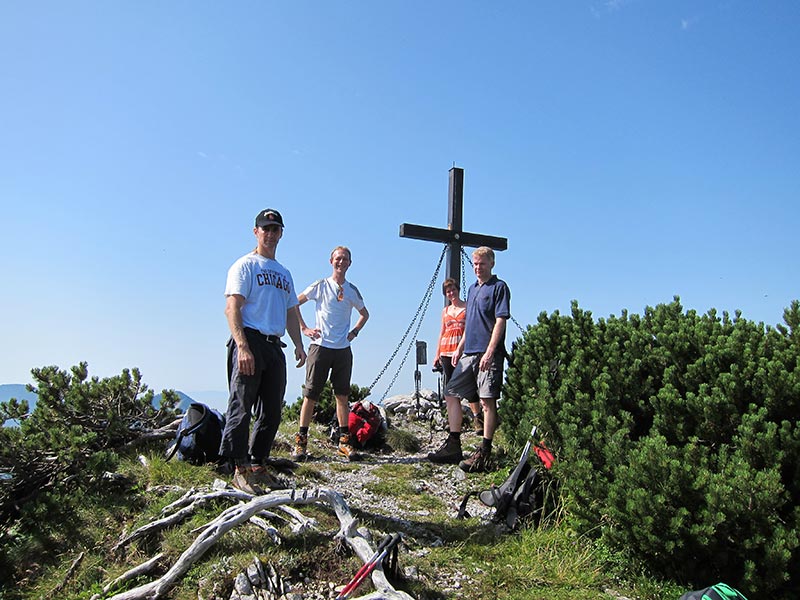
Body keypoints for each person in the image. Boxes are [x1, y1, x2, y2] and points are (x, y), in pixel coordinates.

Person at [219, 208, 307, 495]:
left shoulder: (284, 273)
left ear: (281, 233)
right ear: (256, 232)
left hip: (273, 345)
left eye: (275, 229)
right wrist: (242, 346)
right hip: (250, 341)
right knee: (242, 405)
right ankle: (238, 467)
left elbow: (291, 312)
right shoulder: (245, 265)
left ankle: (258, 463)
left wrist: (298, 345)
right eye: (265, 228)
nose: (270, 234)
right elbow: (232, 307)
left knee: (271, 410)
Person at [427, 246, 511, 473]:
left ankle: (485, 451)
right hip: (468, 352)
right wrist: (459, 349)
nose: (477, 268)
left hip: (487, 353)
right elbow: (470, 323)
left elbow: (500, 321)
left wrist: (491, 351)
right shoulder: (473, 289)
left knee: (486, 401)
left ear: (491, 264)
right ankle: (454, 444)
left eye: (482, 263)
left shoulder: (499, 288)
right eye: (474, 264)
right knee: (450, 392)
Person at [292, 246, 370, 461]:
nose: (341, 262)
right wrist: (304, 328)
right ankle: (301, 442)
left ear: (349, 263)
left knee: (342, 397)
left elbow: (365, 314)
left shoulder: (352, 290)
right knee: (310, 395)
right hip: (320, 347)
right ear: (331, 261)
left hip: (343, 349)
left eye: (345, 259)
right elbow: (295, 302)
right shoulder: (320, 285)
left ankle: (344, 443)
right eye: (338, 258)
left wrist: (354, 332)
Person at [433, 278, 483, 434]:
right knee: (451, 388)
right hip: (446, 350)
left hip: (462, 349)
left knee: (468, 384)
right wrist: (437, 354)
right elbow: (442, 332)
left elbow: (470, 329)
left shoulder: (467, 307)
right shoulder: (445, 311)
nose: (451, 293)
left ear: (458, 290)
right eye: (448, 291)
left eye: (453, 290)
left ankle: (477, 417)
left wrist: (461, 348)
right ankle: (454, 421)